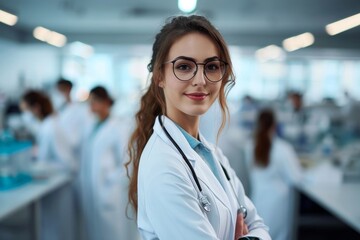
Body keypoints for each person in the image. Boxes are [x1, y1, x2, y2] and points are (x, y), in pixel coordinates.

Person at [126, 15, 270, 240]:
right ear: (159, 77)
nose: (201, 80)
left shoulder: (210, 153)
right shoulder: (163, 166)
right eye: (184, 66)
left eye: (211, 66)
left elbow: (259, 225)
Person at [79, 86, 138, 240]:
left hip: (111, 192)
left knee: (114, 234)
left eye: (94, 101)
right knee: (96, 233)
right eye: (89, 102)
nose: (91, 106)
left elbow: (127, 163)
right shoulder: (92, 126)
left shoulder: (119, 127)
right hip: (93, 190)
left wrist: (110, 182)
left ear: (105, 102)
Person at [20, 90, 76, 240]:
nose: (27, 115)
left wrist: (36, 165)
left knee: (57, 229)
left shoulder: (49, 127)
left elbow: (58, 160)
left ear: (36, 108)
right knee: (54, 227)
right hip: (57, 181)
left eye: (27, 110)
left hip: (60, 182)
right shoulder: (49, 123)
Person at [244, 109, 302, 240]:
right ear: (275, 126)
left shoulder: (250, 146)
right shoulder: (283, 148)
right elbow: (296, 178)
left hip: (258, 200)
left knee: (260, 234)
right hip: (278, 204)